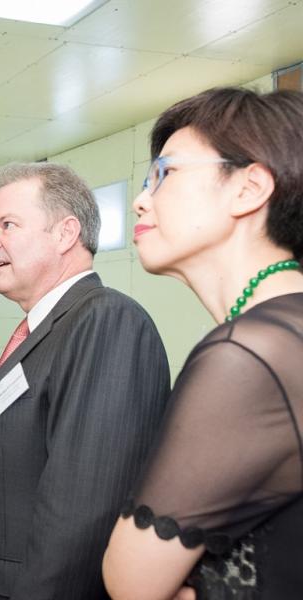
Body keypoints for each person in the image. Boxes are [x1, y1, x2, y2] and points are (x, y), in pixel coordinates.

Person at [0, 162, 171, 599]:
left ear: (65, 233)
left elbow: (82, 514)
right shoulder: (49, 328)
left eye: (8, 225)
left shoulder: (106, 321)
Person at [103, 87, 303, 600]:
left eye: (165, 174)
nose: (140, 199)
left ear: (248, 187)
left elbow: (132, 585)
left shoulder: (250, 353)